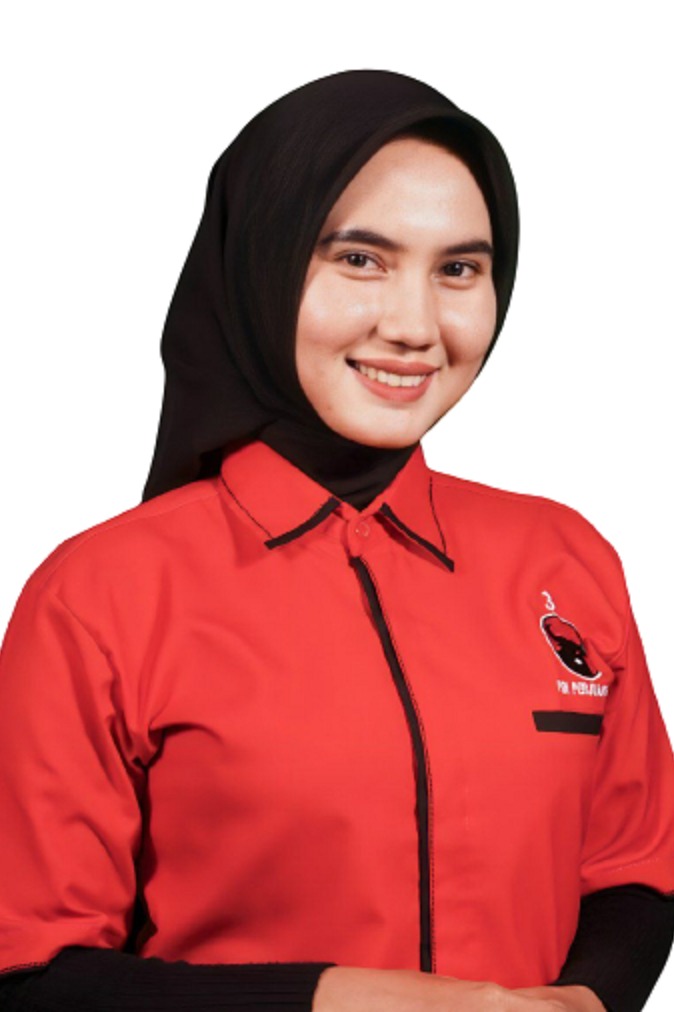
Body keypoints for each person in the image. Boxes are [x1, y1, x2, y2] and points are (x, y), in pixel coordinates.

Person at [0, 70, 672, 1012]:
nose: (414, 327)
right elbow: (33, 971)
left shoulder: (564, 560)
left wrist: (584, 1003)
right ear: (262, 265)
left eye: (459, 270)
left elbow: (637, 870)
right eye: (360, 259)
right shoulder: (100, 595)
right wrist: (353, 1001)